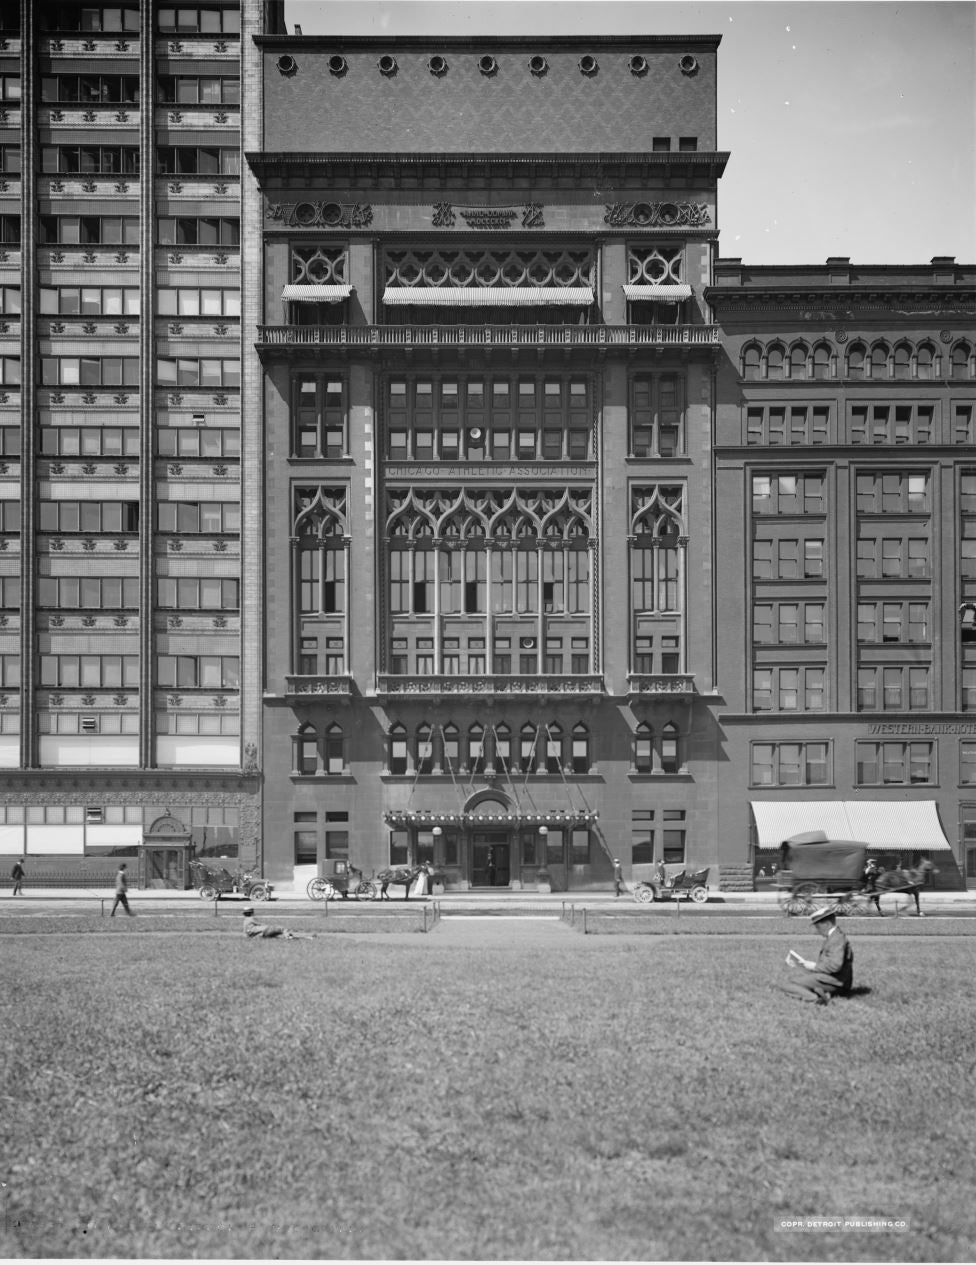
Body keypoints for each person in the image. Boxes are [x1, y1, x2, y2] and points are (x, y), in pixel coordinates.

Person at [781, 906, 854, 1004]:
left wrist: (813, 966)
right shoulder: (835, 936)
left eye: (818, 927)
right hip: (834, 980)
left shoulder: (836, 939)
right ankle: (820, 992)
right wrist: (804, 965)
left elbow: (835, 966)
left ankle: (815, 999)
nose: (817, 931)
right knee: (798, 980)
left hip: (836, 982)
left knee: (788, 984)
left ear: (827, 924)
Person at [241, 907, 314, 939]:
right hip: (265, 930)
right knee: (282, 929)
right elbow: (261, 924)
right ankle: (290, 936)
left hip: (261, 934)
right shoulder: (251, 919)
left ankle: (306, 937)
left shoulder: (245, 922)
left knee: (279, 935)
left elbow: (245, 934)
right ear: (252, 912)